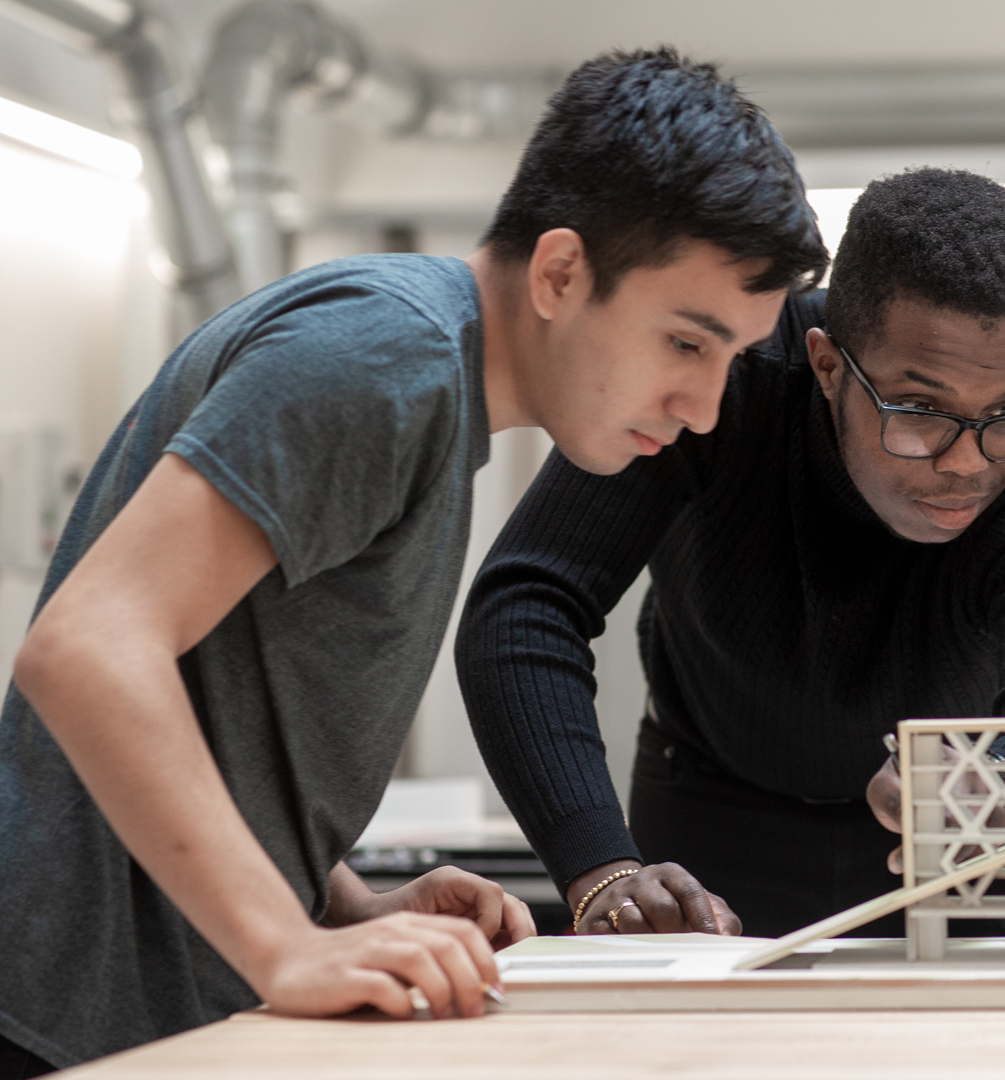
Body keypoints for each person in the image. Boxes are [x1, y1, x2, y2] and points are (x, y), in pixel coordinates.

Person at [0, 48, 827, 1074]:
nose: (705, 408)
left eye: (734, 362)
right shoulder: (383, 362)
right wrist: (286, 946)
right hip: (62, 1024)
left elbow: (226, 710)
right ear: (563, 273)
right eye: (686, 345)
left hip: (150, 1009)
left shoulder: (424, 386)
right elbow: (86, 648)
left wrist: (344, 909)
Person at [456, 168, 1005, 939]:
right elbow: (528, 603)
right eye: (920, 410)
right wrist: (602, 870)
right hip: (710, 817)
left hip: (957, 853)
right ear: (826, 365)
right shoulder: (720, 387)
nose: (966, 461)